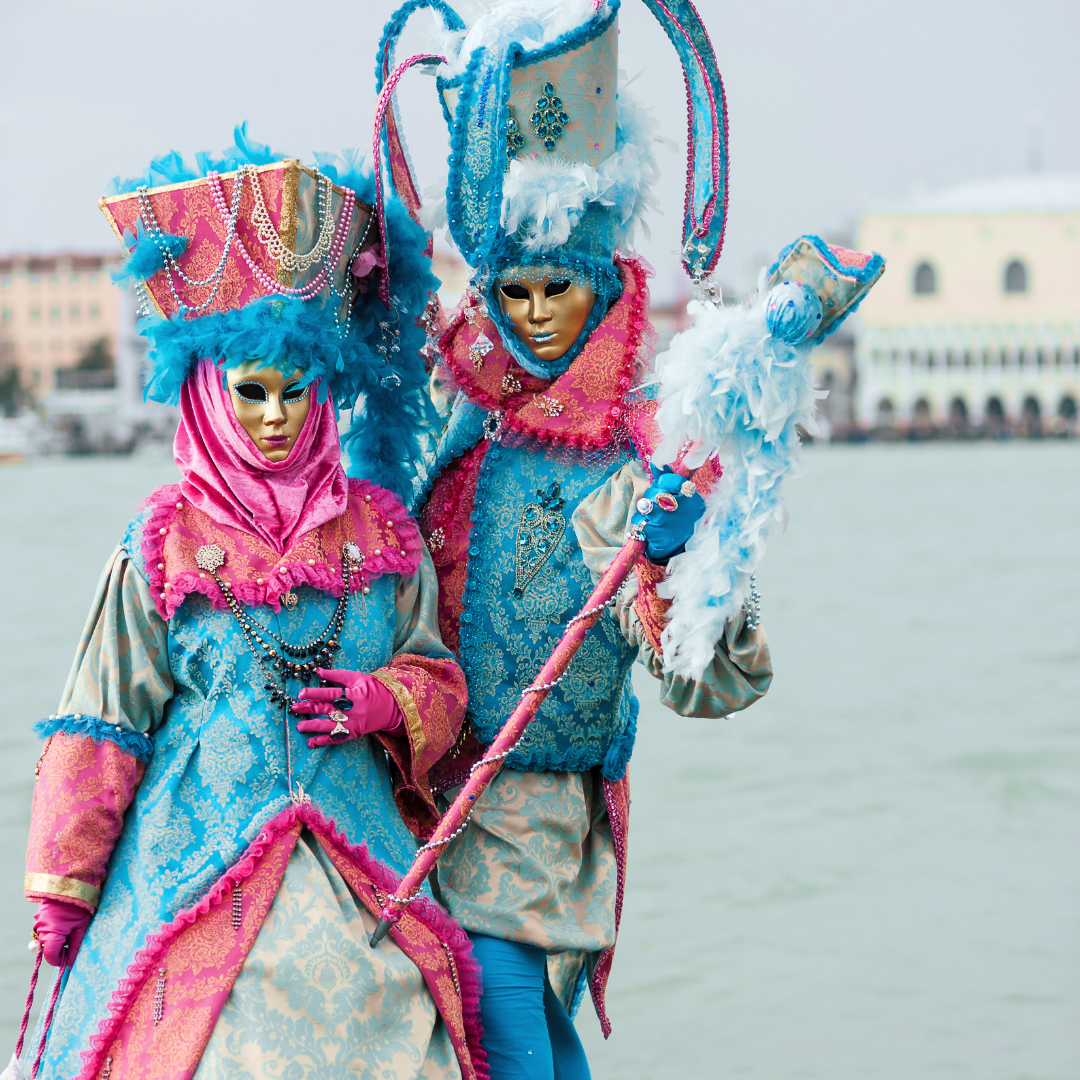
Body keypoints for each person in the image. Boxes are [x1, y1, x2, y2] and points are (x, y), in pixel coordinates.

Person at [17, 133, 487, 1080]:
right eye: (251, 393)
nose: (274, 417)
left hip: (358, 860)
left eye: (294, 393)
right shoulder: (159, 546)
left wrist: (382, 701)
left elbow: (440, 682)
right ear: (206, 393)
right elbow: (102, 720)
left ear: (326, 393)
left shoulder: (384, 537)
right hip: (193, 868)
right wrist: (63, 887)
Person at [375, 2, 773, 1077]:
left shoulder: (637, 459)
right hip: (417, 783)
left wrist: (687, 561)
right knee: (526, 1030)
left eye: (562, 288)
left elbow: (704, 679)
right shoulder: (452, 413)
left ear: (603, 287)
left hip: (540, 813)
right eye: (515, 290)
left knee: (503, 1008)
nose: (539, 311)